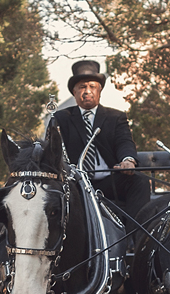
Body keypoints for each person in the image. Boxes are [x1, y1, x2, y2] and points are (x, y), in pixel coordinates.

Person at [53, 59, 151, 220]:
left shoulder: (116, 117)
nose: (87, 91)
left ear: (100, 91)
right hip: (76, 184)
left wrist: (128, 160)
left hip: (109, 181)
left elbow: (124, 141)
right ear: (74, 92)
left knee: (139, 182)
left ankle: (137, 239)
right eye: (82, 87)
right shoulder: (61, 118)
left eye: (92, 86)